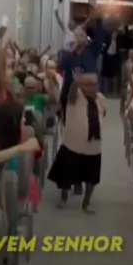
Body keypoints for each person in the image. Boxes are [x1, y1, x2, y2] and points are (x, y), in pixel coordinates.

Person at [48, 72, 107, 213]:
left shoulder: (101, 98)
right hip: (72, 144)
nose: (92, 87)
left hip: (93, 146)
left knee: (92, 179)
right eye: (88, 84)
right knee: (65, 175)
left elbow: (103, 114)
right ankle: (64, 198)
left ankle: (86, 203)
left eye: (94, 84)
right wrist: (75, 82)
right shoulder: (75, 96)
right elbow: (72, 92)